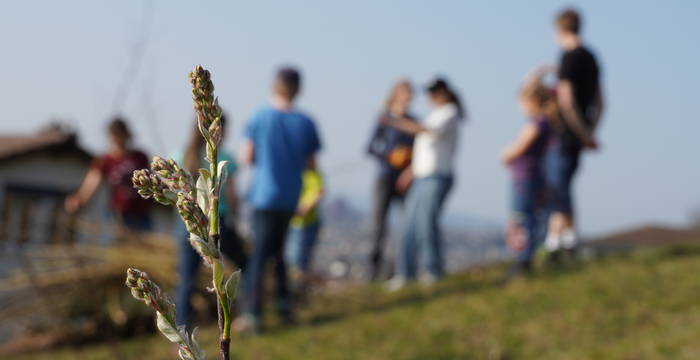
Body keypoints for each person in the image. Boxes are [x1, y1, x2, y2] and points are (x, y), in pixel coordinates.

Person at [236, 66, 322, 334]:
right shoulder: (306, 123)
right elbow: (311, 165)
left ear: (275, 85)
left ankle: (252, 314)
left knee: (259, 257)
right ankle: (284, 306)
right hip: (289, 198)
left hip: (263, 196)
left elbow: (247, 158)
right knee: (280, 254)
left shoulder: (260, 117)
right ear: (298, 89)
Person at [385, 78, 465, 290]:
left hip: (437, 177)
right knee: (409, 225)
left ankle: (432, 270)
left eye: (434, 92)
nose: (431, 97)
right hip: (421, 177)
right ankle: (405, 273)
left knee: (426, 223)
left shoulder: (450, 113)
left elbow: (426, 131)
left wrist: (396, 119)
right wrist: (411, 172)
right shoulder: (436, 114)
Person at [171, 115, 248, 328]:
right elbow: (233, 196)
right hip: (218, 223)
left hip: (187, 224)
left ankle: (181, 328)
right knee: (243, 266)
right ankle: (245, 314)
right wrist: (236, 219)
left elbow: (172, 191)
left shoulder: (179, 155)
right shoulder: (223, 157)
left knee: (186, 278)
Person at [544, 8, 604, 260]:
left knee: (559, 187)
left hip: (566, 133)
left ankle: (564, 241)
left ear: (560, 30)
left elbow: (566, 101)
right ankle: (556, 242)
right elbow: (601, 101)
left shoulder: (569, 58)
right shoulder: (592, 58)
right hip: (582, 132)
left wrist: (580, 132)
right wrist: (591, 131)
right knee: (564, 184)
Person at [500, 70, 555, 278]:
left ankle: (522, 261)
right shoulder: (546, 123)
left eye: (522, 102)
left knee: (520, 218)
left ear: (532, 101)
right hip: (532, 176)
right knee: (527, 218)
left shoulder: (536, 124)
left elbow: (519, 148)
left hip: (524, 177)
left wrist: (505, 154)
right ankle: (524, 258)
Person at [366, 80, 418, 281]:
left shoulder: (414, 123)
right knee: (378, 227)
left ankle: (402, 270)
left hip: (405, 181)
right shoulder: (384, 119)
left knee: (406, 225)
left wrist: (409, 163)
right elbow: (370, 147)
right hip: (384, 177)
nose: (407, 98)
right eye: (404, 93)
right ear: (395, 94)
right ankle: (373, 272)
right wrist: (389, 156)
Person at [65, 117, 152, 233]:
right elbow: (92, 182)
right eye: (114, 136)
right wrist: (79, 199)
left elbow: (151, 181)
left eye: (119, 135)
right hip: (117, 214)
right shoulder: (106, 160)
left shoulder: (140, 157)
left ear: (126, 135)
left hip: (141, 214)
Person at [284, 166, 324, 293]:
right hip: (294, 224)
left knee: (300, 259)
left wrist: (302, 209)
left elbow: (319, 192)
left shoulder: (312, 173)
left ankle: (299, 288)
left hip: (307, 223)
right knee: (294, 259)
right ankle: (295, 288)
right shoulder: (292, 171)